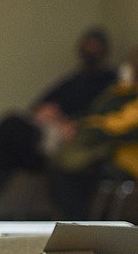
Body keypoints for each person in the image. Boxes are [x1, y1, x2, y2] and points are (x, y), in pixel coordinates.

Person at [0, 27, 117, 218]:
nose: (88, 54)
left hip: (68, 141)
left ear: (104, 53)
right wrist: (45, 112)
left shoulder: (110, 83)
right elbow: (38, 105)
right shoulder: (73, 80)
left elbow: (102, 119)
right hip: (43, 134)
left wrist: (65, 121)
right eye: (85, 49)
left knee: (11, 122)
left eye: (93, 49)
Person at [49, 45, 138, 219]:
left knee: (72, 173)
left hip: (125, 160)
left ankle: (79, 221)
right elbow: (94, 111)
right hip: (108, 153)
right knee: (58, 165)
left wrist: (84, 125)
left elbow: (118, 127)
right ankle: (74, 221)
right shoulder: (119, 91)